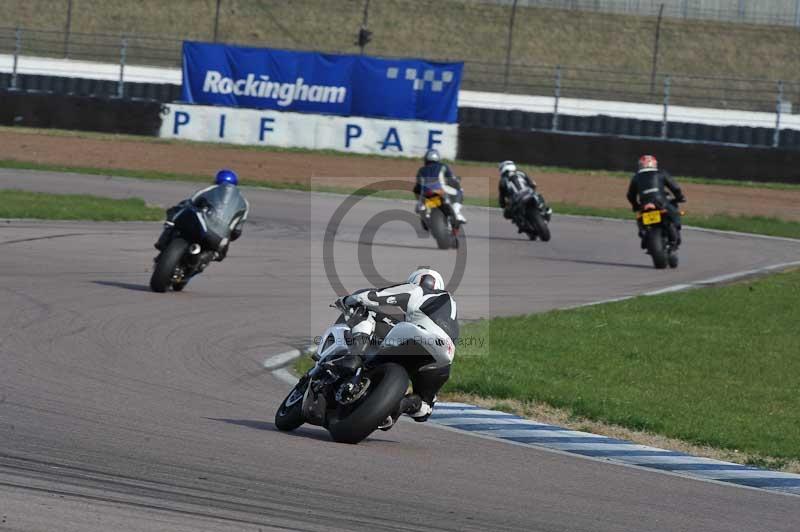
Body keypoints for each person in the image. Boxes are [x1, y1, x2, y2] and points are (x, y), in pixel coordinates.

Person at [336, 267, 458, 430]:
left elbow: (374, 296)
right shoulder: (450, 306)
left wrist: (349, 300)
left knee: (367, 311)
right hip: (445, 355)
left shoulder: (417, 290)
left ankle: (354, 356)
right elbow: (422, 417)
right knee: (425, 407)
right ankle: (398, 407)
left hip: (418, 335)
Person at [154, 169, 250, 261]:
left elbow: (191, 201)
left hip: (203, 224)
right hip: (219, 237)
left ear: (217, 180)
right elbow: (237, 231)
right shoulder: (244, 203)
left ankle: (164, 240)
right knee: (219, 252)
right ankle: (203, 260)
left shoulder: (212, 189)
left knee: (176, 211)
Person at [626, 155, 686, 247]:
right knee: (674, 211)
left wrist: (635, 205)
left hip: (645, 205)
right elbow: (675, 187)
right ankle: (676, 230)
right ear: (654, 164)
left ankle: (644, 233)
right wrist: (680, 197)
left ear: (641, 165)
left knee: (640, 216)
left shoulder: (636, 177)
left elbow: (630, 195)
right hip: (661, 203)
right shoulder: (661, 173)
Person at [414, 149, 467, 224]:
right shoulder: (443, 166)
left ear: (426, 159)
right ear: (438, 158)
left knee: (419, 198)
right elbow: (452, 178)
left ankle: (422, 205)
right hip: (440, 190)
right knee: (459, 191)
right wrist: (456, 180)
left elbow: (417, 186)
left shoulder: (421, 170)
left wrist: (419, 199)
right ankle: (457, 213)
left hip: (426, 193)